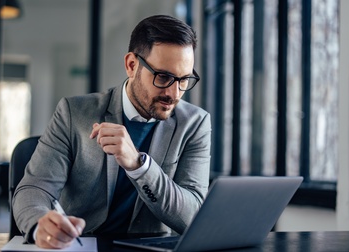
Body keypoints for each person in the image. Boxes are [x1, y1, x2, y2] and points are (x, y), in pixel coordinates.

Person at [12, 14, 212, 249]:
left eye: (183, 79)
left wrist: (139, 166)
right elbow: (33, 189)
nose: (174, 93)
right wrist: (39, 225)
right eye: (164, 77)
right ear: (131, 65)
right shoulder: (74, 113)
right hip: (81, 245)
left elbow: (192, 217)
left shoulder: (195, 124)